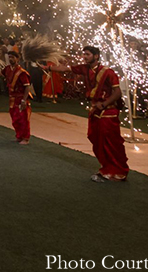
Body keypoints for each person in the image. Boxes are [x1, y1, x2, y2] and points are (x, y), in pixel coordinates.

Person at [46, 46, 129, 182]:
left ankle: (117, 172)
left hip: (108, 111)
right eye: (83, 54)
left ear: (96, 56)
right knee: (96, 140)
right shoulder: (85, 68)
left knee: (110, 142)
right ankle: (106, 168)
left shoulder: (108, 72)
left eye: (87, 54)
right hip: (95, 110)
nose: (84, 57)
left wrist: (104, 104)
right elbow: (65, 69)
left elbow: (118, 92)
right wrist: (48, 68)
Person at [3, 49, 32, 144]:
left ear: (17, 59)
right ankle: (19, 136)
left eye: (12, 57)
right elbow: (1, 73)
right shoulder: (7, 69)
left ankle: (25, 138)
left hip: (20, 98)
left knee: (23, 119)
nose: (11, 59)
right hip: (12, 99)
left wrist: (24, 100)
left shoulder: (22, 72)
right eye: (9, 57)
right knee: (15, 119)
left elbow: (27, 87)